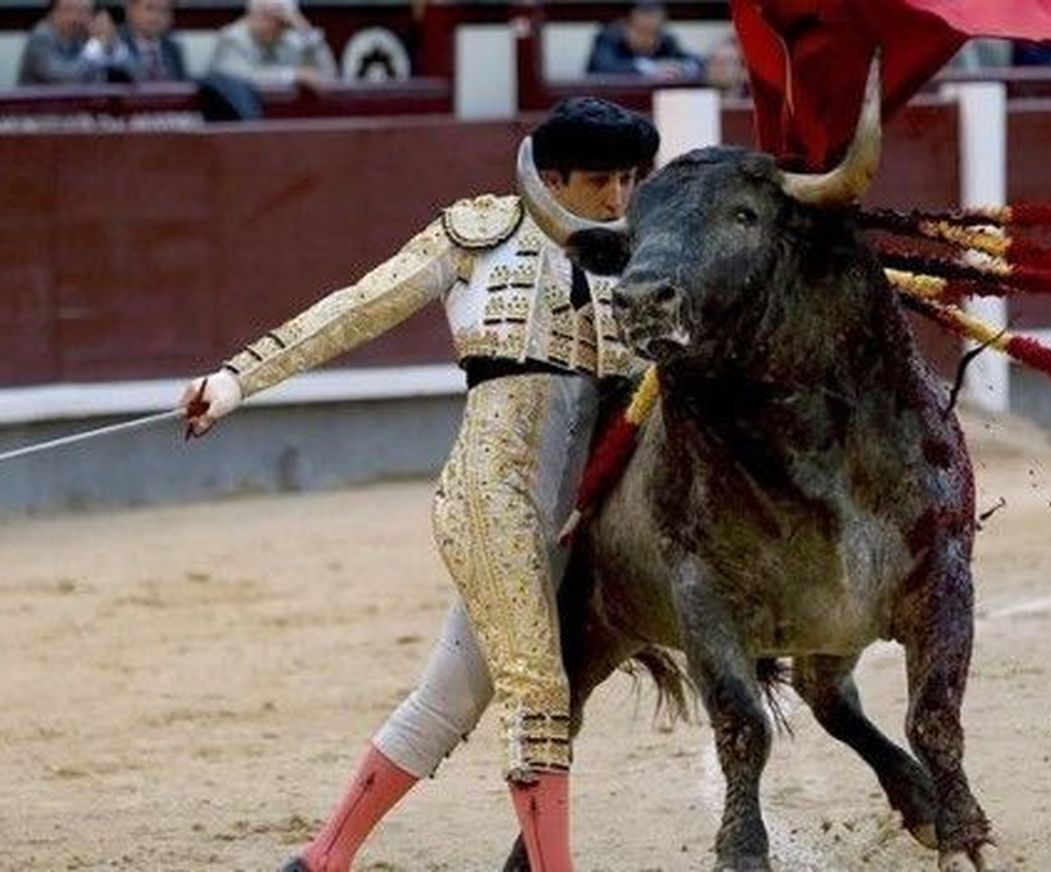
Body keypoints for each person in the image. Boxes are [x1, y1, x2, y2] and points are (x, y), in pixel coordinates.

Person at [179, 98, 659, 872]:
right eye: (602, 181)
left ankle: (320, 861)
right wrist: (236, 380)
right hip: (490, 496)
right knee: (537, 692)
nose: (618, 199)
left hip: (578, 514)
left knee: (448, 700)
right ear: (554, 176)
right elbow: (357, 308)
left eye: (631, 181)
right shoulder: (480, 234)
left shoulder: (639, 256)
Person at [207, 0, 336, 90]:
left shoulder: (292, 41)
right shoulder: (231, 38)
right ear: (250, 15)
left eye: (277, 20)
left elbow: (329, 75)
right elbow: (241, 78)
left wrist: (306, 31)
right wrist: (293, 75)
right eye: (263, 15)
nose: (269, 24)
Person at [17, 0, 127, 85]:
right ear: (53, 12)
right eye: (69, 10)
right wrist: (96, 46)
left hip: (80, 110)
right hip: (38, 111)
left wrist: (113, 42)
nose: (76, 18)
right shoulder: (41, 37)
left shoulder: (84, 35)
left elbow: (132, 74)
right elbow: (64, 79)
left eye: (84, 11)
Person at [585, 0, 700, 79]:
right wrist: (651, 68)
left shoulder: (666, 41)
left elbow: (695, 62)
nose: (648, 38)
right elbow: (603, 68)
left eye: (653, 33)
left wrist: (681, 68)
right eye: (641, 32)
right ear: (626, 24)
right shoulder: (608, 37)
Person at [116, 0, 186, 82]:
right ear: (130, 10)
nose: (156, 17)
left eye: (163, 11)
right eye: (149, 8)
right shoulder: (115, 44)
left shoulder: (173, 50)